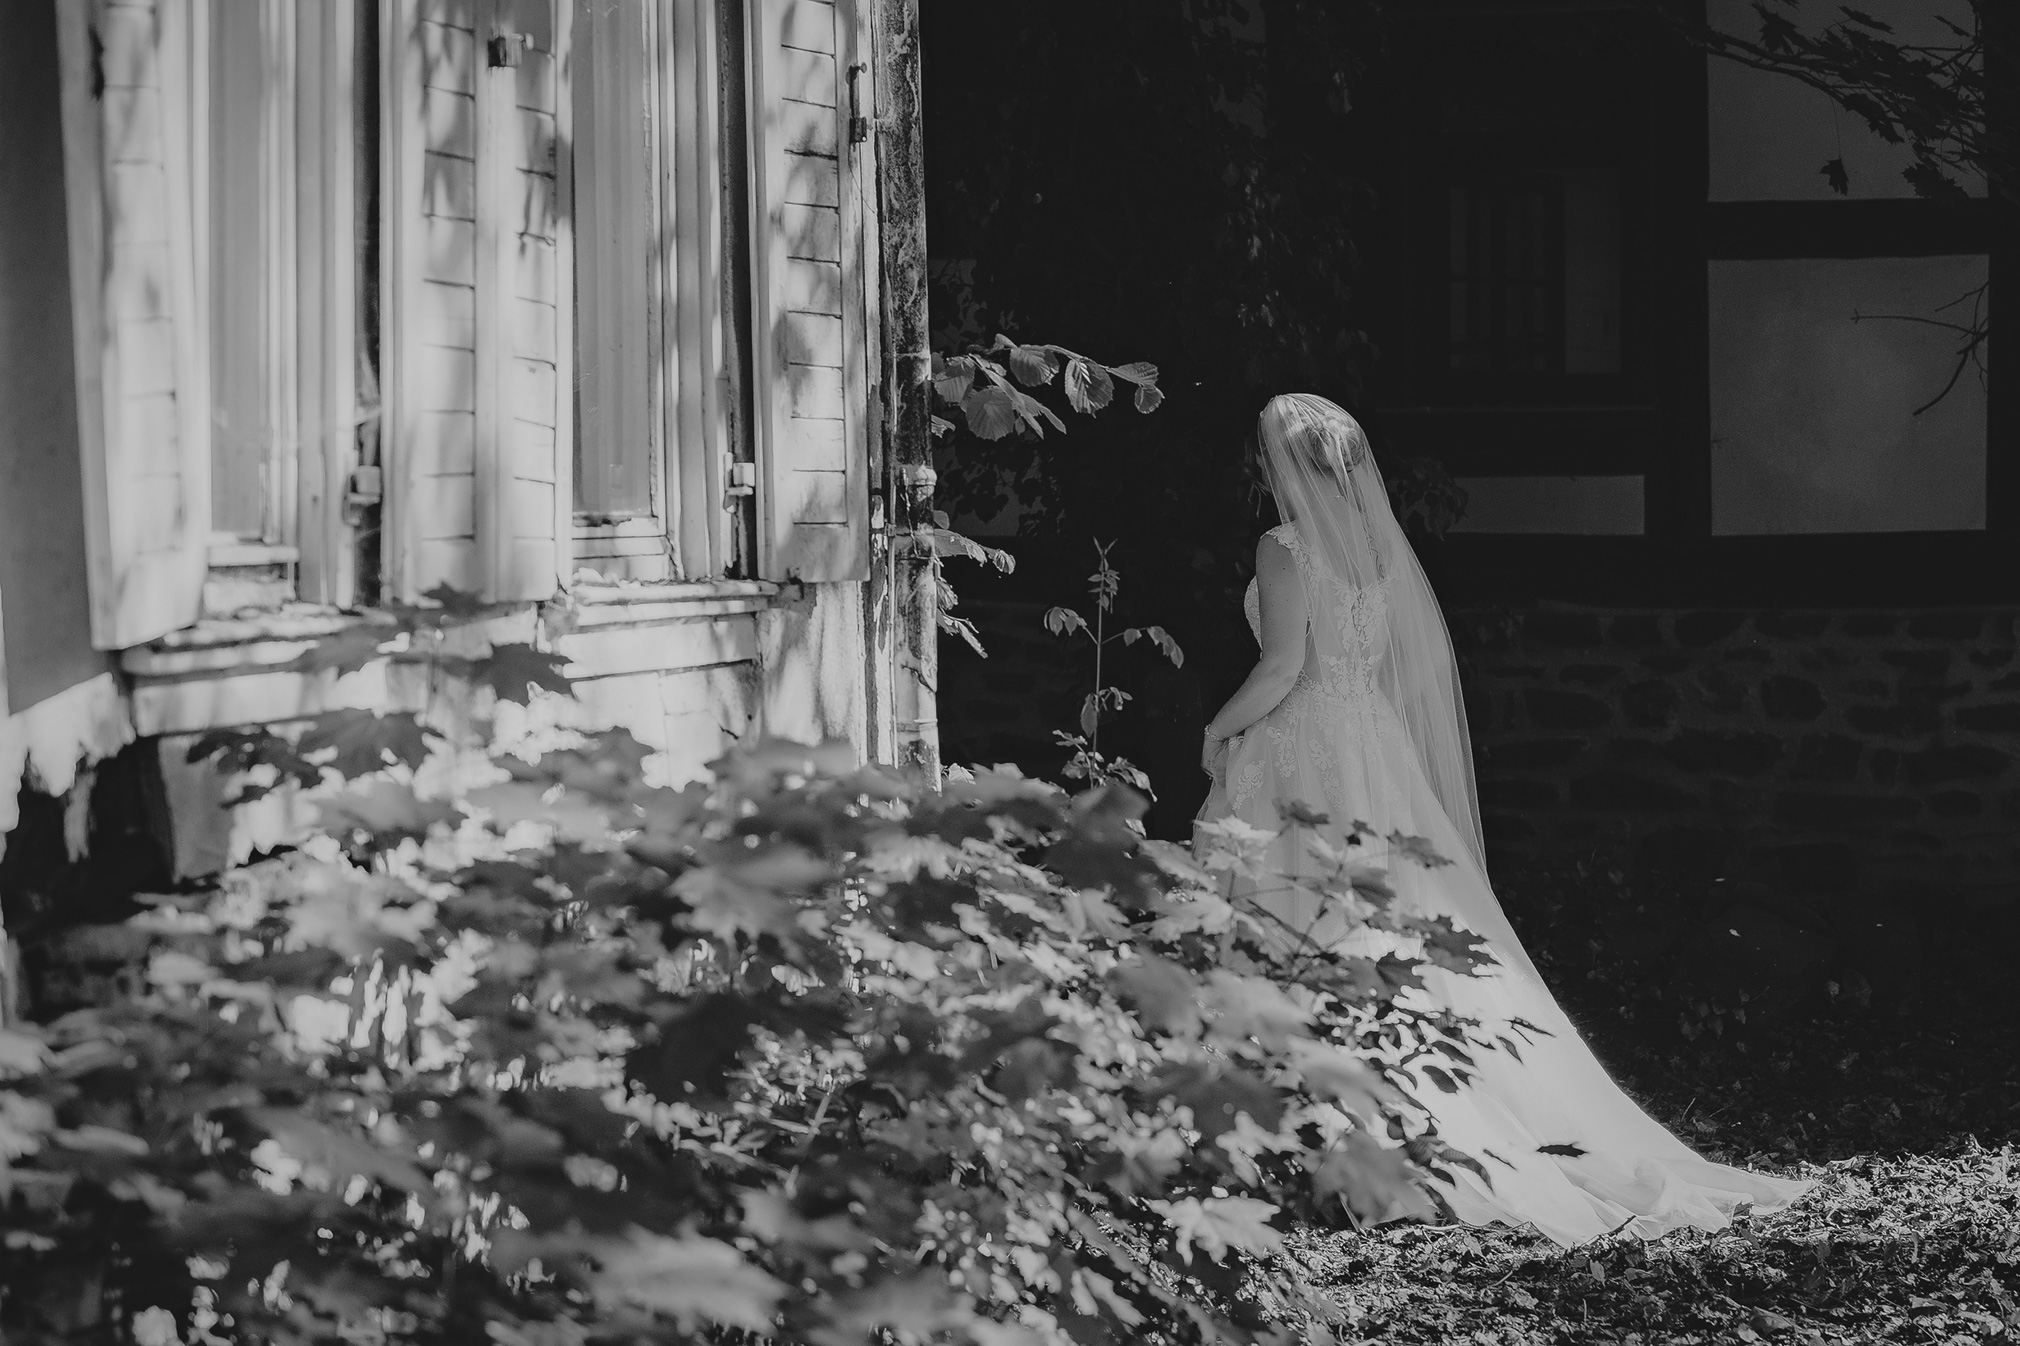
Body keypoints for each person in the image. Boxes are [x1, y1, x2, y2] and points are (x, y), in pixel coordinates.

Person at [1196, 392, 1811, 1247]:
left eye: (1268, 453)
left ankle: (1318, 1130)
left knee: (1308, 909)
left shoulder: (1285, 547)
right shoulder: (1378, 544)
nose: (1263, 467)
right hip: (1373, 742)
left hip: (1306, 742)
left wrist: (1217, 728)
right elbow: (1390, 666)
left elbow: (1282, 668)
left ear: (1286, 463)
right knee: (1394, 917)